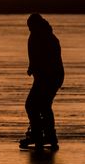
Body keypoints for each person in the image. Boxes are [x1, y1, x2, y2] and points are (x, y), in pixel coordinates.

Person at [19, 13, 65, 150]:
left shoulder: (45, 37)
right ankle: (46, 135)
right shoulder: (45, 36)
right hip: (50, 77)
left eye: (31, 27)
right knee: (41, 106)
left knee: (34, 105)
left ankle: (39, 135)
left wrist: (35, 69)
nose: (30, 30)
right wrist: (32, 68)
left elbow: (45, 60)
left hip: (49, 77)